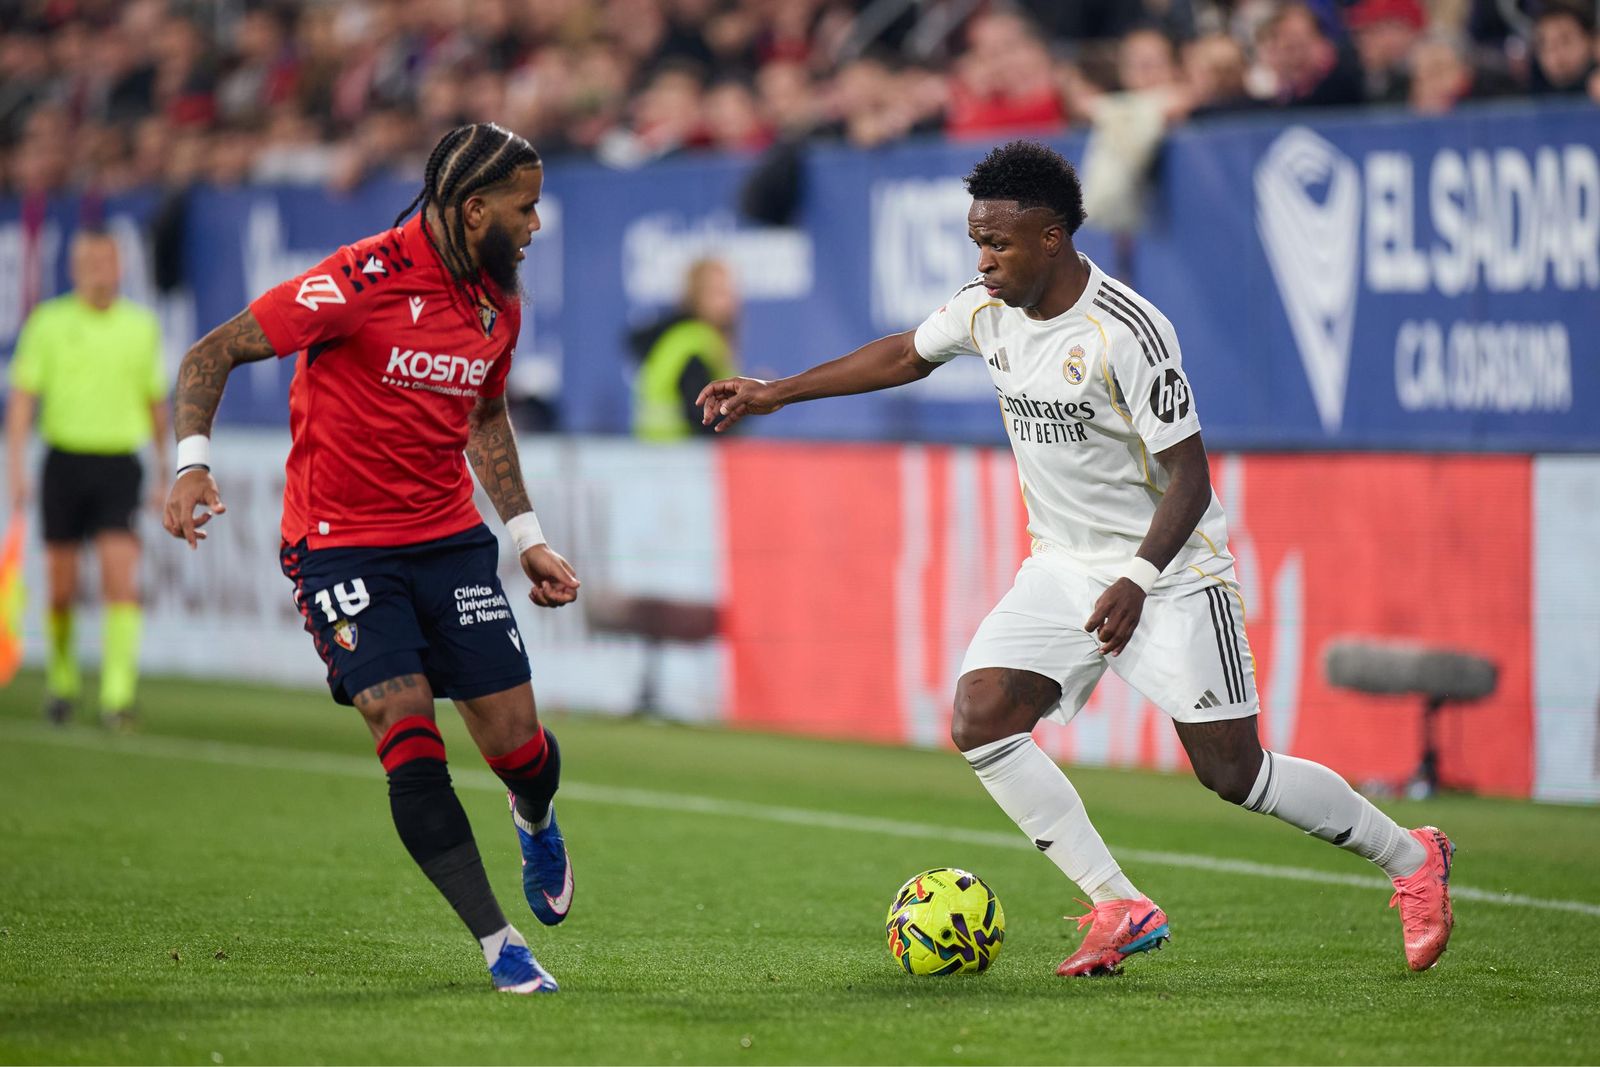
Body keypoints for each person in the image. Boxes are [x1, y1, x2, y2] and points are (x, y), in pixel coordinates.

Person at [699, 141, 1455, 977]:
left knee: (1233, 771)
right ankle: (1117, 902)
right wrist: (774, 390)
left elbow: (1192, 478)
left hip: (1168, 570)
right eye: (977, 243)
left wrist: (1138, 578)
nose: (984, 262)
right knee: (980, 715)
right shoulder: (987, 310)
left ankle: (1412, 857)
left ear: (1052, 238)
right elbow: (906, 352)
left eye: (1001, 244)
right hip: (1060, 566)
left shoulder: (1126, 329)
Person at [163, 123, 579, 995]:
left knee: (521, 749)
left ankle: (534, 811)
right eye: (525, 207)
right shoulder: (358, 280)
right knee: (408, 736)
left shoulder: (496, 302)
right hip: (341, 548)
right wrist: (190, 464)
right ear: (474, 211)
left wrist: (527, 535)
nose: (537, 224)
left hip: (449, 544)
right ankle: (500, 944)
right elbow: (214, 351)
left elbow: (486, 414)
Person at [5, 227, 168, 731]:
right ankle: (62, 682)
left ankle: (118, 695)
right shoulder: (49, 323)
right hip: (64, 462)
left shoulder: (140, 327)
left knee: (122, 579)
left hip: (119, 463)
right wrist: (15, 465)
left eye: (106, 260)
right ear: (75, 268)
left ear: (120, 266)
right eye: (89, 261)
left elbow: (155, 403)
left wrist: (169, 469)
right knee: (61, 586)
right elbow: (24, 400)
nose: (99, 269)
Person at [630, 257, 740, 441]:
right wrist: (747, 405)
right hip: (677, 459)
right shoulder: (694, 345)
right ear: (697, 297)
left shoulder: (678, 338)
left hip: (658, 455)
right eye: (719, 293)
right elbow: (704, 419)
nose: (730, 302)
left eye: (730, 293)